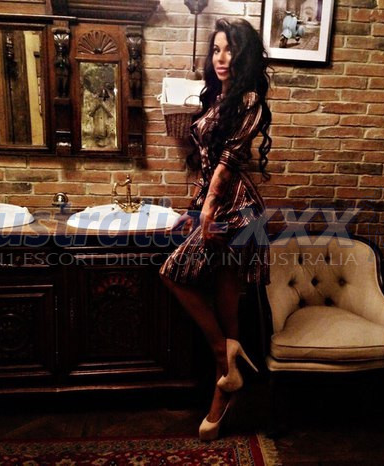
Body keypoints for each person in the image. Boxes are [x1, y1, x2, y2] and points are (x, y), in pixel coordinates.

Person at [158, 18, 272, 441]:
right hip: (218, 206)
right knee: (218, 296)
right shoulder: (216, 99)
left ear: (244, 57)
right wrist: (194, 209)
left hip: (237, 210)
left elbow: (227, 162)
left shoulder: (249, 99)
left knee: (182, 278)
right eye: (217, 49)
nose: (221, 58)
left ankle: (223, 369)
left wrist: (207, 211)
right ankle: (228, 365)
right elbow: (206, 167)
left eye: (231, 51)